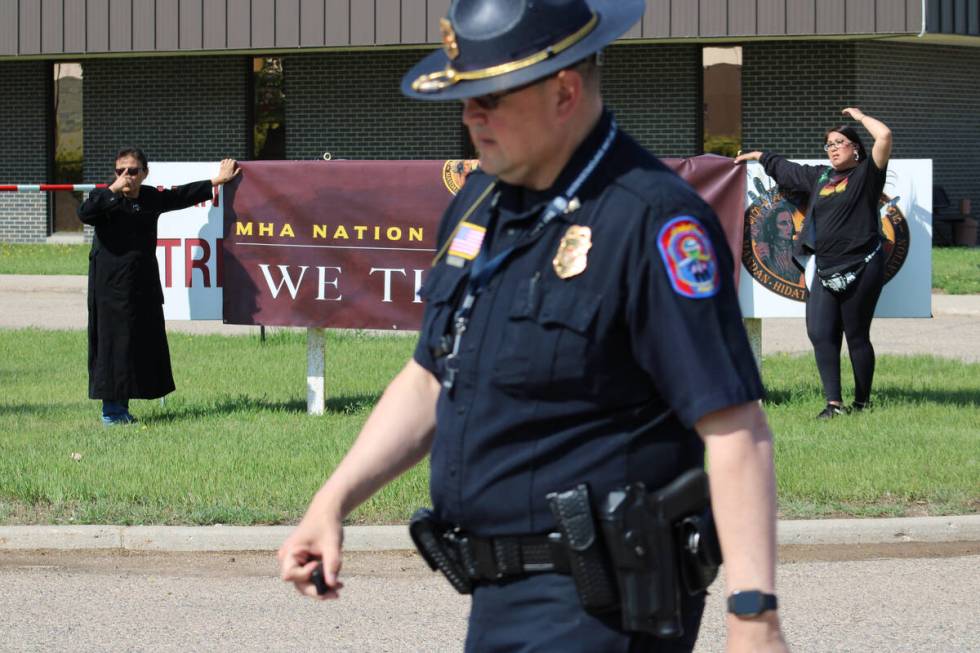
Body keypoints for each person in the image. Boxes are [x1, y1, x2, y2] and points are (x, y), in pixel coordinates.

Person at [279, 1, 787, 651]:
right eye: (465, 96)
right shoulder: (481, 205)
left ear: (564, 92)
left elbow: (735, 425)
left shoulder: (651, 219)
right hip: (499, 599)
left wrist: (754, 616)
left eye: (488, 97)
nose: (469, 115)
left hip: (605, 606)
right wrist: (332, 501)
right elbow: (430, 377)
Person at [736, 108, 893, 419]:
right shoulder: (819, 176)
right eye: (829, 144)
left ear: (856, 148)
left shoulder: (867, 175)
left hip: (862, 266)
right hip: (824, 268)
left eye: (840, 142)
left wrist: (860, 117)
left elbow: (884, 136)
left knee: (857, 335)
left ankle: (862, 403)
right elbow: (786, 169)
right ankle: (834, 404)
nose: (833, 148)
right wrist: (757, 155)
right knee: (820, 332)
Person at [77, 148, 240, 425]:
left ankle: (123, 407)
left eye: (132, 171)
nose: (126, 176)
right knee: (113, 347)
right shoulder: (104, 198)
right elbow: (85, 213)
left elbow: (179, 196)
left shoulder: (149, 197)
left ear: (145, 173)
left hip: (142, 285)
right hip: (110, 289)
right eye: (120, 171)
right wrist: (113, 189)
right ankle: (112, 412)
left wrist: (217, 181)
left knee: (137, 345)